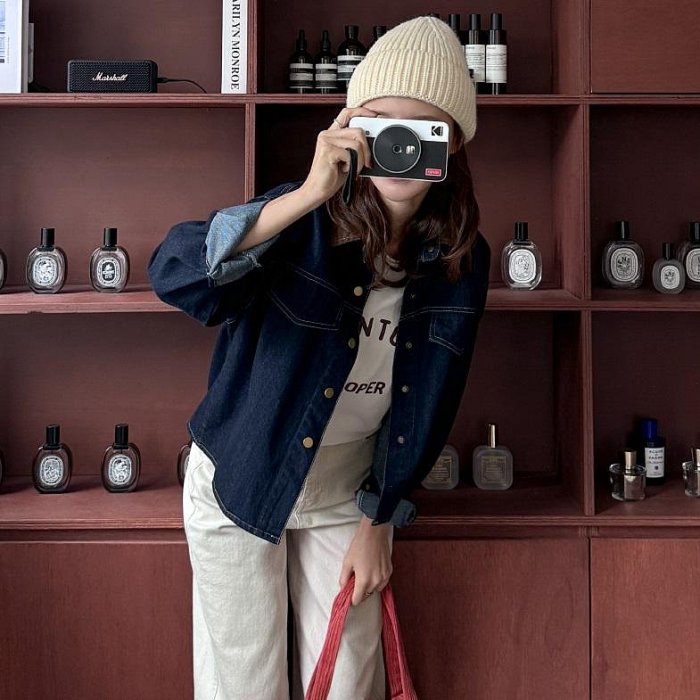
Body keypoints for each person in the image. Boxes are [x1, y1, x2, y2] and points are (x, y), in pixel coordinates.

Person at [148, 15, 490, 700]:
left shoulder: (463, 260)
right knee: (244, 686)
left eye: (422, 128)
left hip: (347, 490)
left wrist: (381, 520)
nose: (400, 144)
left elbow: (432, 403)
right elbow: (175, 274)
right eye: (381, 124)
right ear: (351, 127)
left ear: (452, 144)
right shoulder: (301, 215)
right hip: (244, 471)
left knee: (347, 682)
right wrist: (308, 193)